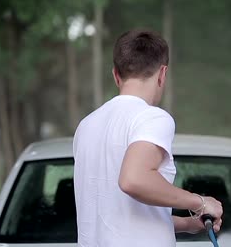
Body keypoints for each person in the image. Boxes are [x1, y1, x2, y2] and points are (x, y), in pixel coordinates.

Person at [73, 29, 223, 247]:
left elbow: (119, 219)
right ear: (162, 74)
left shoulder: (86, 126)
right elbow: (133, 180)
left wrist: (188, 224)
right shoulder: (152, 118)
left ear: (116, 75)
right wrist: (200, 203)